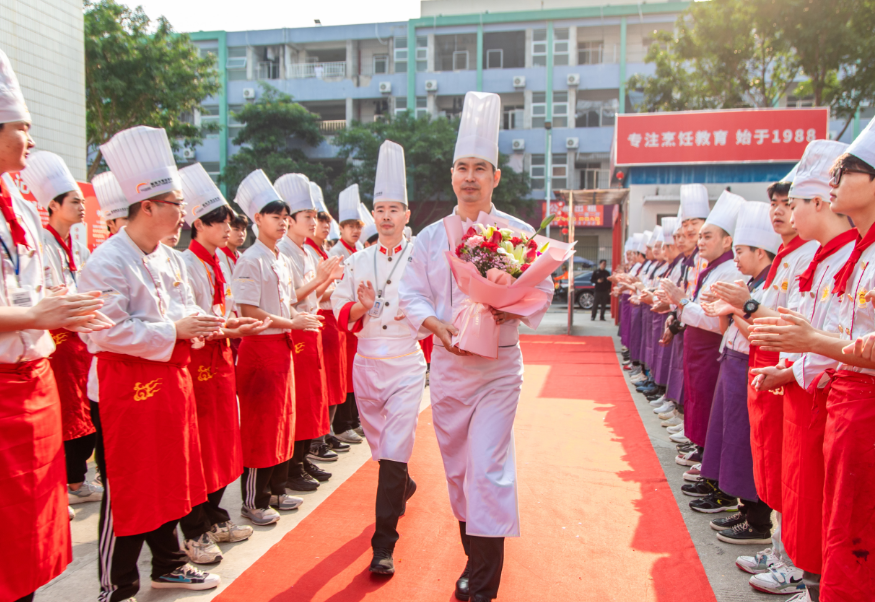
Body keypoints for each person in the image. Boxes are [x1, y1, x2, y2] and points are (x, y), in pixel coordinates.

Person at [399, 91, 554, 602]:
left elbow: (543, 288)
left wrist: (511, 306)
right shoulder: (428, 238)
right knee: (461, 470)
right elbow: (412, 292)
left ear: (495, 177)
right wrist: (434, 325)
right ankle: (473, 557)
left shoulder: (518, 234)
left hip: (498, 369)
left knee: (488, 464)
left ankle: (483, 581)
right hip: (447, 369)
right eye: (462, 167)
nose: (470, 177)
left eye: (480, 168)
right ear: (451, 176)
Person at [79, 125, 228, 598]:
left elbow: (179, 311)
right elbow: (103, 330)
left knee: (168, 478)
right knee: (129, 486)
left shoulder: (166, 258)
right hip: (125, 389)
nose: (184, 214)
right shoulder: (106, 262)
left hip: (168, 382)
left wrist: (201, 325)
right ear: (148, 206)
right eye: (177, 205)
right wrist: (175, 331)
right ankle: (115, 583)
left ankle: (167, 562)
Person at [0, 49, 111, 602]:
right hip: (5, 384)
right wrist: (38, 314)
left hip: (31, 380)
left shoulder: (17, 207)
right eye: (23, 127)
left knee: (30, 534)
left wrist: (57, 306)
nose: (31, 140)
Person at [745, 141, 854, 602]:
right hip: (803, 381)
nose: (785, 214)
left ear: (819, 203)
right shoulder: (819, 257)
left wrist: (747, 308)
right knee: (793, 484)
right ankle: (801, 568)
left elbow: (829, 338)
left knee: (823, 500)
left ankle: (808, 576)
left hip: (828, 391)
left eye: (792, 204)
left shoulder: (839, 258)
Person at [332, 140, 427, 576]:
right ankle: (401, 484)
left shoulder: (422, 259)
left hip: (407, 365)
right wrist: (360, 305)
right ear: (374, 215)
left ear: (407, 215)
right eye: (381, 209)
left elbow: (438, 307)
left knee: (393, 454)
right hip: (367, 365)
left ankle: (383, 544)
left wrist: (424, 314)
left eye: (395, 209)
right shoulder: (356, 262)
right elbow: (338, 311)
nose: (387, 216)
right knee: (382, 451)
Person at [178, 163, 265, 564]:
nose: (228, 229)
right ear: (199, 224)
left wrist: (233, 326)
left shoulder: (219, 263)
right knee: (197, 450)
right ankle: (194, 527)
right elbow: (193, 321)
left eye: (228, 222)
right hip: (197, 366)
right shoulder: (187, 264)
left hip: (221, 361)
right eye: (220, 222)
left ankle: (215, 517)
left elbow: (220, 313)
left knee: (219, 446)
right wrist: (229, 328)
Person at [232, 169, 322, 525]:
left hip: (280, 349)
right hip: (260, 350)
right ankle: (253, 500)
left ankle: (275, 489)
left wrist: (292, 322)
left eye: (286, 217)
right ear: (257, 219)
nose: (283, 223)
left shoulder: (280, 258)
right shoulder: (250, 259)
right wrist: (292, 323)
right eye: (276, 217)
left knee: (282, 422)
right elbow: (249, 311)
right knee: (260, 427)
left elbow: (287, 303)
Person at [20, 151, 105, 512]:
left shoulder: (80, 246)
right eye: (74, 202)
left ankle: (75, 479)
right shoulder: (40, 243)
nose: (82, 207)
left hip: (81, 339)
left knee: (84, 412)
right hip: (55, 342)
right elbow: (43, 295)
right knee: (60, 413)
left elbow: (84, 291)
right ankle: (60, 482)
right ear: (53, 206)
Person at [696, 201, 780, 540]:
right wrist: (726, 310)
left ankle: (756, 519)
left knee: (749, 445)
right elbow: (727, 328)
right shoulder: (751, 283)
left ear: (761, 252)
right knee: (731, 438)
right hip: (733, 359)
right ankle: (743, 508)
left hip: (755, 364)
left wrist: (737, 308)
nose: (737, 259)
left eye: (741, 251)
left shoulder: (761, 288)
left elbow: (760, 332)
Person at [664, 191, 744, 472]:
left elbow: (714, 317)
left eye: (705, 235)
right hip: (698, 342)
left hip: (712, 344)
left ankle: (706, 454)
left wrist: (681, 301)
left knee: (708, 400)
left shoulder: (730, 271)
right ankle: (700, 446)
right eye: (699, 235)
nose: (698, 240)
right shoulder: (711, 268)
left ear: (727, 241)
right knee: (697, 395)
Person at [275, 173, 339, 489]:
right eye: (308, 217)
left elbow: (312, 294)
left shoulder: (303, 251)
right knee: (298, 403)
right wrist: (322, 279)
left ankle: (302, 462)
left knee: (311, 401)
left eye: (315, 216)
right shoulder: (284, 251)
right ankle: (291, 469)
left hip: (310, 327)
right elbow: (291, 298)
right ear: (290, 220)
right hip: (295, 329)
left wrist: (330, 279)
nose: (314, 222)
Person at [307, 186, 350, 454]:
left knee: (333, 380)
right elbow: (311, 295)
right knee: (318, 384)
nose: (323, 225)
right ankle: (317, 438)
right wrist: (336, 286)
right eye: (316, 219)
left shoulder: (321, 252)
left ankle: (326, 431)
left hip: (329, 320)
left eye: (324, 220)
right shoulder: (309, 253)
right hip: (316, 319)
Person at [329, 184, 366, 445]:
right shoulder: (337, 253)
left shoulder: (358, 250)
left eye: (358, 225)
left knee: (353, 374)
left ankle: (352, 420)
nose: (355, 230)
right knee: (342, 376)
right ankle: (342, 424)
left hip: (357, 322)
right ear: (340, 228)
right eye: (349, 225)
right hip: (341, 321)